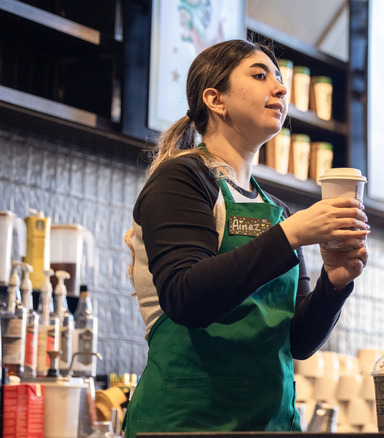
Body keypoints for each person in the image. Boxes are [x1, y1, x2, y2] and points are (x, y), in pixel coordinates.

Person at [122, 39, 369, 437]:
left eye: (280, 79)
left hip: (272, 424)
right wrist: (289, 236)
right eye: (260, 75)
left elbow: (299, 341)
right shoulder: (182, 178)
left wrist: (335, 281)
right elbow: (186, 297)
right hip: (187, 423)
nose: (281, 88)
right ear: (215, 99)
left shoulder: (277, 209)